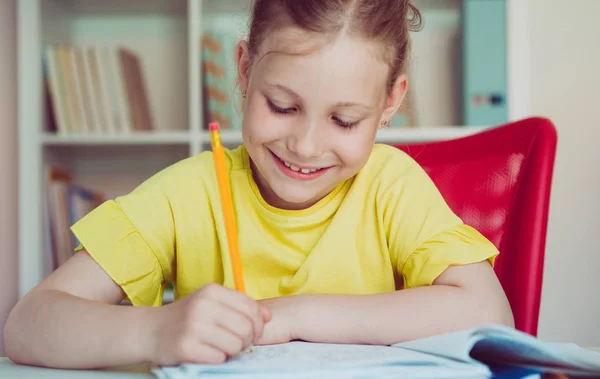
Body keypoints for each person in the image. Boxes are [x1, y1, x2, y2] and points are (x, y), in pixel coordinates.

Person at [3, 0, 514, 370]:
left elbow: (488, 312)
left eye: (345, 120)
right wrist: (158, 330)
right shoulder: (188, 193)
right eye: (283, 107)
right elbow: (28, 324)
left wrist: (293, 316)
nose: (307, 145)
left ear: (389, 105)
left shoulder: (391, 185)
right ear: (245, 70)